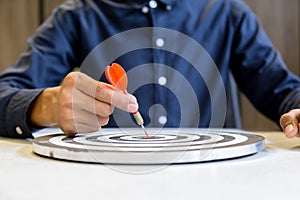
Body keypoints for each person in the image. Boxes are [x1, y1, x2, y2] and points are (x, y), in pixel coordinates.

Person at [0, 0, 300, 139]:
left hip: (213, 185)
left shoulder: (228, 12)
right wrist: (46, 106)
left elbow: (284, 91)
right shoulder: (75, 17)